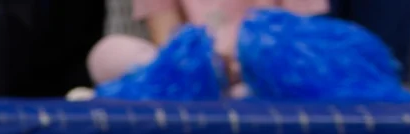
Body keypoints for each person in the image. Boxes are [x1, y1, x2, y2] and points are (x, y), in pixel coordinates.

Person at [87, 0, 328, 88]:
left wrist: (241, 64)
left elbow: (298, 39)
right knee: (110, 51)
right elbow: (169, 44)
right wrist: (206, 65)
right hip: (192, 74)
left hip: (263, 72)